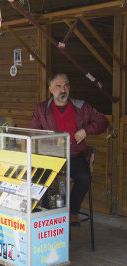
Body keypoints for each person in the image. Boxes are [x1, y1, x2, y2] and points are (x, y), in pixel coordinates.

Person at [29, 73, 109, 226]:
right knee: (38, 179)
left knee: (85, 178)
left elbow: (103, 121)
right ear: (51, 89)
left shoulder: (81, 106)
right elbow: (32, 132)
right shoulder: (41, 109)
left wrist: (87, 130)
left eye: (66, 85)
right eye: (58, 86)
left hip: (73, 155)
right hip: (50, 156)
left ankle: (72, 212)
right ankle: (48, 215)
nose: (63, 89)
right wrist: (47, 141)